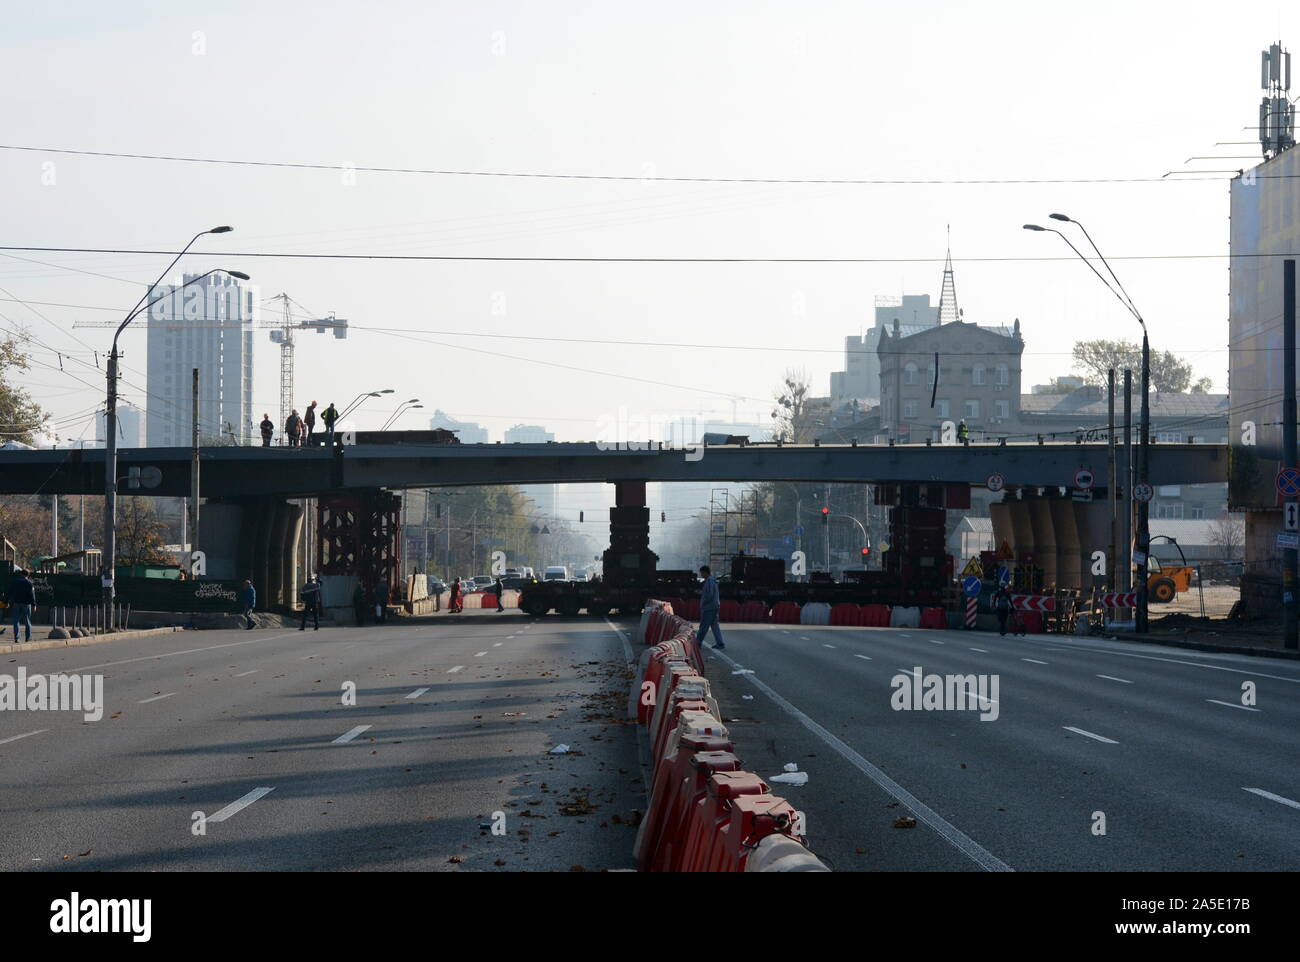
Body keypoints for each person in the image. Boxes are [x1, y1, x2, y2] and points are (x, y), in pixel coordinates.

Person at [695, 564, 725, 650]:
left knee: (704, 625)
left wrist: (704, 603)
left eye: (702, 573)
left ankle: (698, 643)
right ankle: (720, 643)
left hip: (709, 607)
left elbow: (710, 594)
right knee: (715, 625)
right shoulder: (713, 580)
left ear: (705, 572)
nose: (701, 575)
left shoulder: (709, 581)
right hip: (714, 606)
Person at [6, 568, 36, 643]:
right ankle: (28, 637)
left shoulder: (15, 582)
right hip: (26, 604)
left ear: (21, 574)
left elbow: (9, 592)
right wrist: (34, 604)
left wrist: (6, 601)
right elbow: (32, 595)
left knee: (16, 621)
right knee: (27, 621)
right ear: (28, 575)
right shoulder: (29, 583)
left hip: (16, 603)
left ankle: (17, 638)